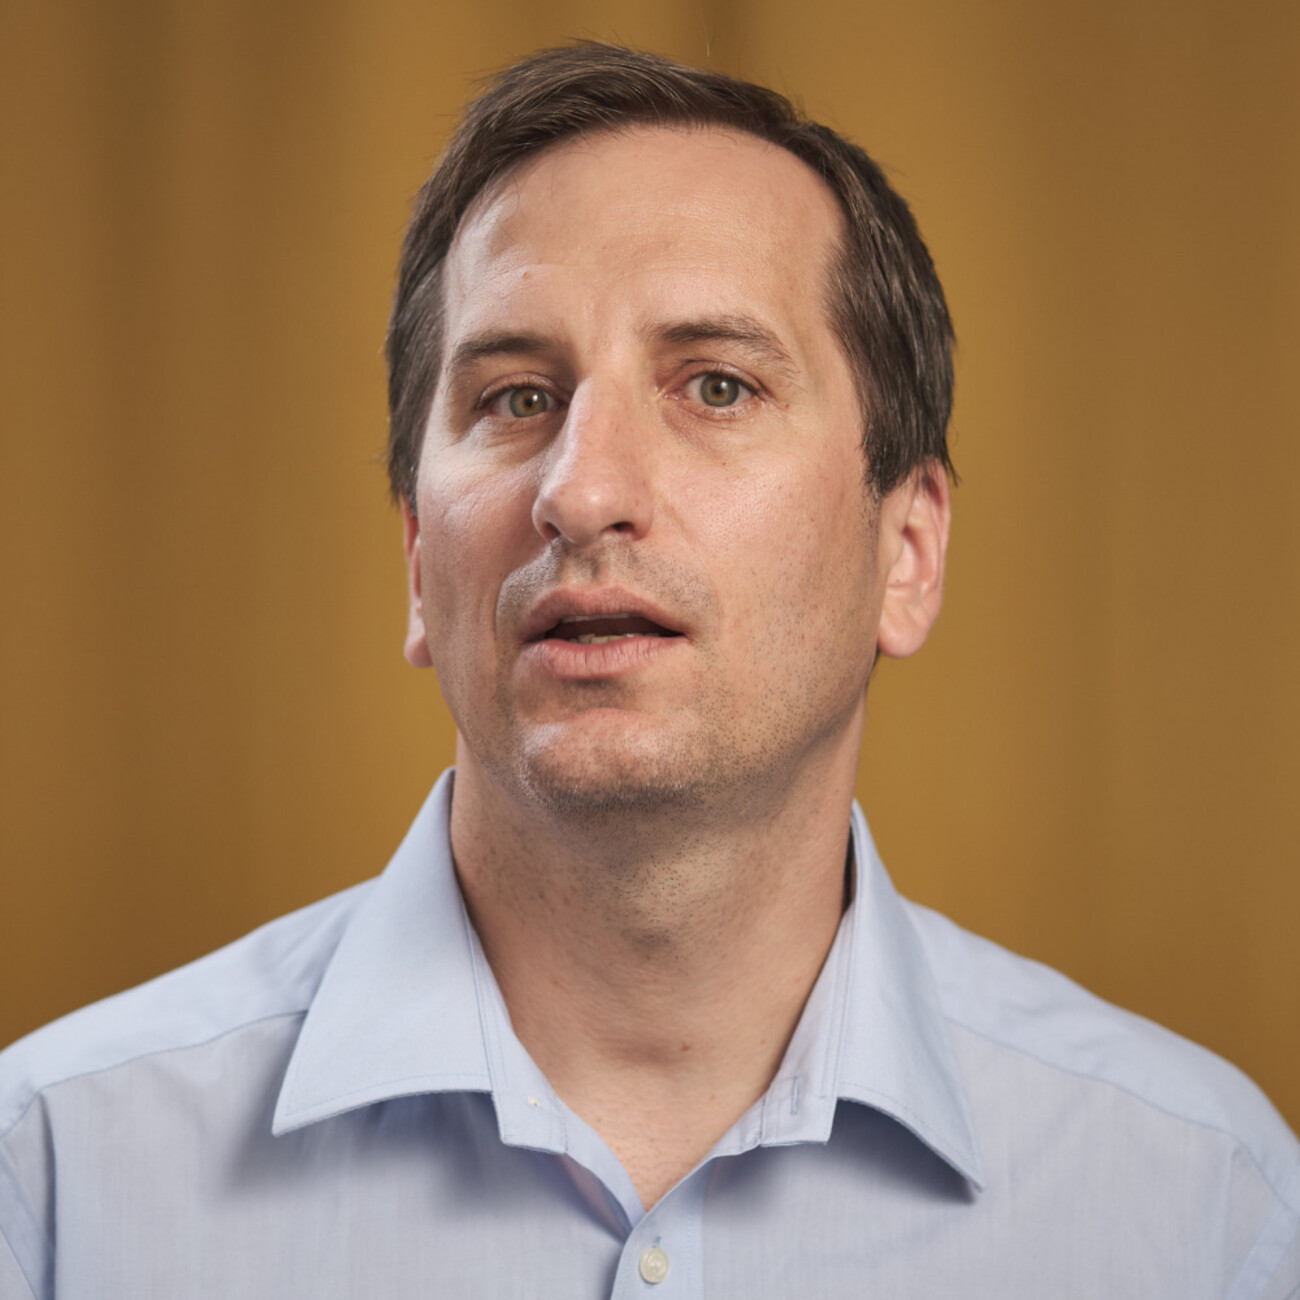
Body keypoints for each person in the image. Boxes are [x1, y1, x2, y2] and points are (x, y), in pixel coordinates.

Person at [1, 42, 1296, 1300]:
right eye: (516, 397)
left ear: (906, 552)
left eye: (716, 387)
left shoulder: (1205, 1211)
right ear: (416, 562)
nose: (581, 491)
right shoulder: (53, 1182)